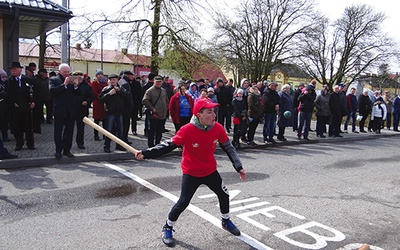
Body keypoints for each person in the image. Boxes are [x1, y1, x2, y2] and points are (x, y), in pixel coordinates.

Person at [134, 98, 246, 247]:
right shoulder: (187, 130)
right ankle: (167, 226)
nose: (214, 115)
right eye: (209, 112)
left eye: (214, 111)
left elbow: (228, 147)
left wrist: (238, 166)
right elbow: (168, 145)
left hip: (210, 170)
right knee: (183, 202)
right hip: (191, 172)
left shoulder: (217, 128)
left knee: (224, 194)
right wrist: (146, 153)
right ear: (199, 115)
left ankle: (225, 220)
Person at [4, 62, 40, 151]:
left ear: (20, 70)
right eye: (12, 70)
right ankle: (19, 143)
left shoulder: (28, 80)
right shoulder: (8, 82)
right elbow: (7, 95)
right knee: (17, 127)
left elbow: (36, 92)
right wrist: (12, 103)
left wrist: (33, 102)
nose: (13, 71)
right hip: (15, 108)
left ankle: (30, 143)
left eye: (15, 69)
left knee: (28, 126)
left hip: (27, 107)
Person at [49, 63, 81, 159]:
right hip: (59, 110)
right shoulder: (53, 80)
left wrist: (76, 86)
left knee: (69, 132)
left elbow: (77, 95)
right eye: (65, 72)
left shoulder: (71, 80)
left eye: (68, 72)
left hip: (70, 111)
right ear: (59, 71)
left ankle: (67, 150)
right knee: (58, 132)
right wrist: (64, 85)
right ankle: (58, 151)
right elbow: (52, 91)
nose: (67, 74)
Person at [99, 74, 130, 153]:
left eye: (114, 79)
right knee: (108, 130)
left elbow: (127, 96)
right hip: (110, 112)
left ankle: (119, 145)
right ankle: (107, 146)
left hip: (119, 112)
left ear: (117, 80)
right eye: (111, 80)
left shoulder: (121, 88)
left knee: (120, 130)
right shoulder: (106, 89)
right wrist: (109, 94)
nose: (112, 81)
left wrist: (120, 91)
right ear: (108, 81)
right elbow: (100, 99)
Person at [142, 75, 169, 147]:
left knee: (159, 132)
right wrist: (152, 108)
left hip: (162, 115)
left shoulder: (163, 90)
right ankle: (150, 146)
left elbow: (166, 100)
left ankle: (157, 145)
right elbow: (145, 100)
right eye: (157, 82)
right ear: (154, 82)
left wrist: (166, 108)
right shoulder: (150, 91)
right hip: (154, 115)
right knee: (152, 131)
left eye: (160, 82)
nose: (159, 83)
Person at [73, 70, 94, 149]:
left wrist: (87, 101)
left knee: (81, 127)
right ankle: (66, 143)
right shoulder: (71, 84)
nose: (78, 77)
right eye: (76, 76)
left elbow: (92, 96)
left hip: (82, 109)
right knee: (69, 127)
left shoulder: (87, 86)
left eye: (80, 76)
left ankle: (80, 143)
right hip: (72, 108)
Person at [118, 70, 134, 145]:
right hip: (125, 108)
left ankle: (124, 139)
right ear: (128, 75)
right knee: (125, 125)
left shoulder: (121, 81)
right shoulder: (125, 83)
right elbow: (127, 97)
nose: (133, 77)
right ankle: (124, 139)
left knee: (123, 125)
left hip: (122, 108)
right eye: (132, 75)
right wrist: (130, 106)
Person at [91, 70, 107, 141]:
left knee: (105, 121)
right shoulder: (94, 83)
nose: (100, 75)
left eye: (101, 74)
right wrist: (102, 97)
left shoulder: (105, 83)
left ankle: (105, 135)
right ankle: (96, 135)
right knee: (96, 121)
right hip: (97, 103)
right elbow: (95, 93)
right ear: (96, 76)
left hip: (104, 104)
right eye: (99, 74)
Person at [0, 68, 11, 141]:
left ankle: (5, 135)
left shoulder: (6, 83)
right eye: (2, 77)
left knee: (5, 121)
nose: (4, 78)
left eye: (5, 77)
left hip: (5, 104)